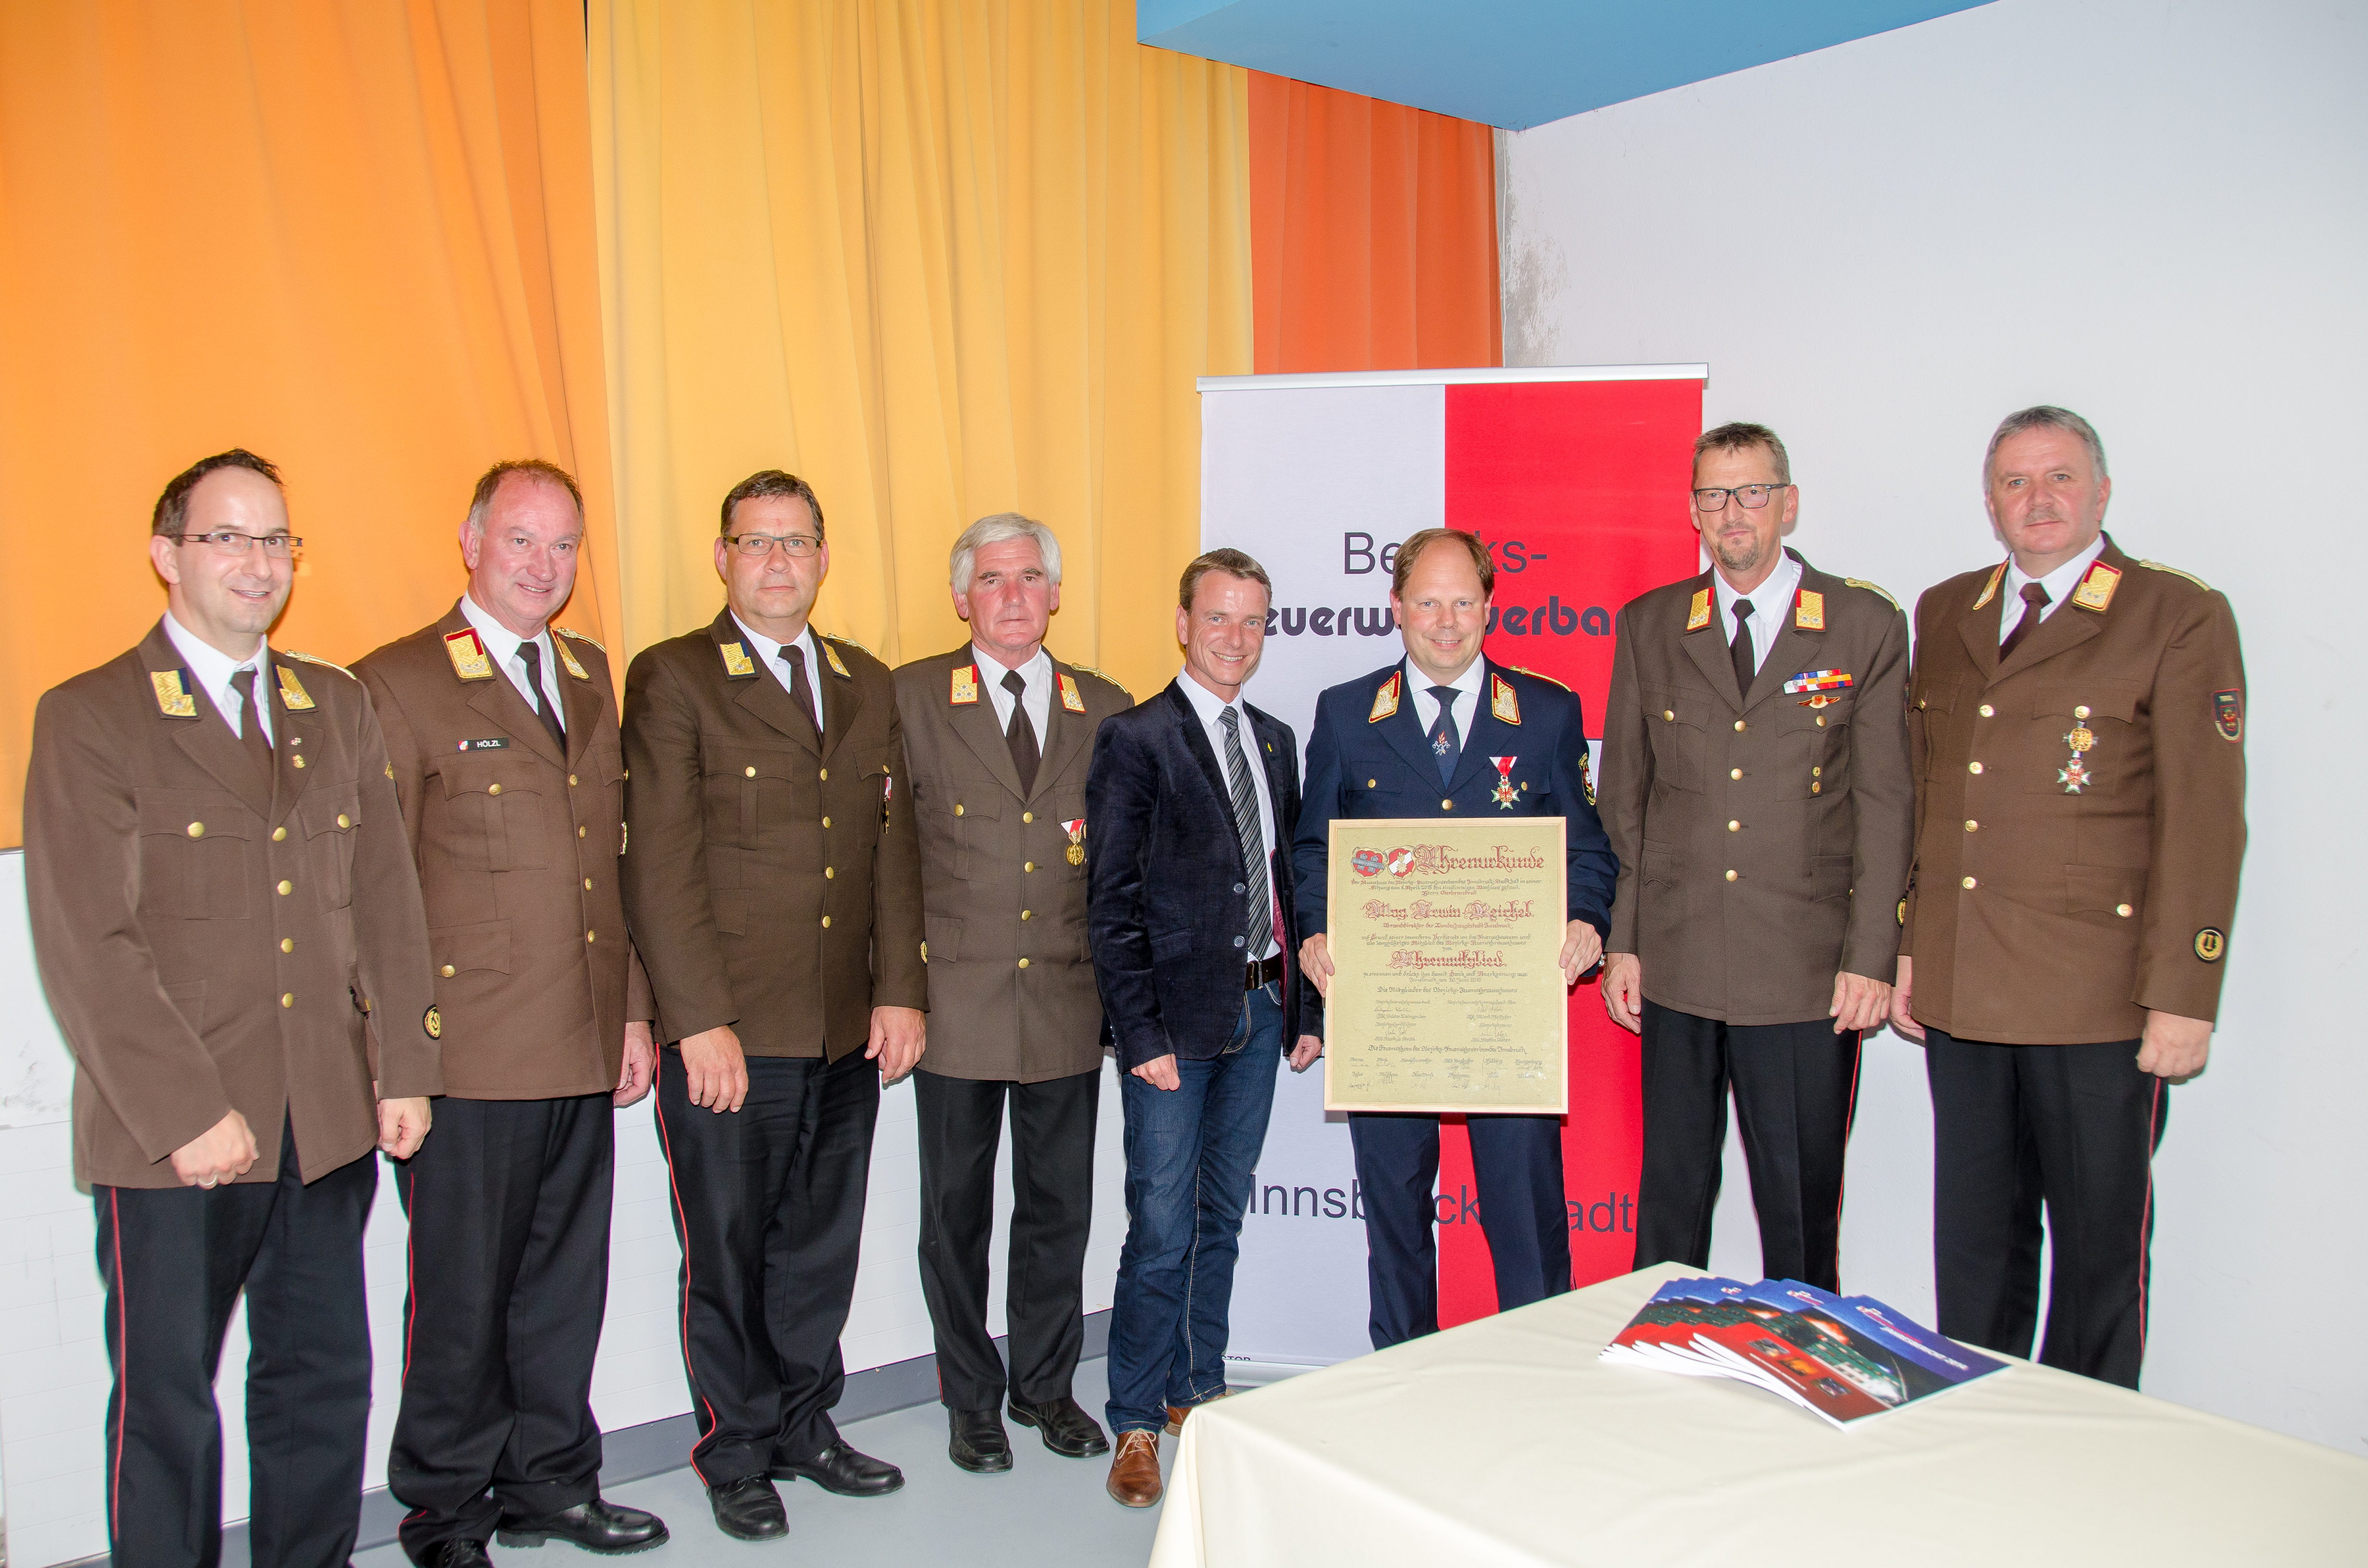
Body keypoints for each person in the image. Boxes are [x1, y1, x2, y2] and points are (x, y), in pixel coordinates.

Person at [23, 449, 439, 1568]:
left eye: (276, 539)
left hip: (325, 1119)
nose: (258, 563)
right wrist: (184, 1111)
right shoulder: (93, 715)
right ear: (166, 556)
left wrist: (403, 1067)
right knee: (168, 1403)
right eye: (227, 538)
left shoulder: (333, 704)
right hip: (176, 1138)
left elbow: (388, 902)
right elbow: (88, 945)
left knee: (320, 1384)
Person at [1893, 406, 2245, 1389]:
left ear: (2101, 493)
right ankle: (1978, 1426)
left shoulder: (2174, 614)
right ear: (1990, 502)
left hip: (2097, 999)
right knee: (1976, 1250)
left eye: (2059, 478)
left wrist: (2185, 995)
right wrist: (1911, 946)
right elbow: (1929, 796)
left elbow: (2205, 822)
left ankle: (2091, 1447)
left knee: (2096, 1260)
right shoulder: (1947, 611)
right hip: (1964, 991)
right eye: (2015, 481)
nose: (2037, 499)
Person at [354, 460, 666, 1566]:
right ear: (471, 540)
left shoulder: (585, 671)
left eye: (564, 545)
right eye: (523, 539)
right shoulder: (397, 681)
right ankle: (444, 1514)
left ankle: (550, 1484)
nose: (545, 565)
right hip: (469, 1059)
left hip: (581, 1040)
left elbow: (608, 863)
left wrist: (632, 1012)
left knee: (562, 1290)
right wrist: (396, 1059)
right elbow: (374, 889)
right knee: (463, 1305)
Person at [619, 469, 927, 1541]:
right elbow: (658, 864)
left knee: (818, 1248)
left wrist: (900, 991)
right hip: (733, 1034)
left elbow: (891, 849)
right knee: (730, 1251)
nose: (778, 561)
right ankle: (737, 1448)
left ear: (824, 558)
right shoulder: (675, 677)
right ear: (723, 558)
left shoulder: (864, 681)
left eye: (796, 542)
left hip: (843, 1028)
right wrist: (695, 1019)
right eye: (757, 542)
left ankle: (804, 1424)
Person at [1598, 422, 1913, 1292]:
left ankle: (1804, 1360)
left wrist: (1871, 958)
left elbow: (1887, 803)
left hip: (1803, 973)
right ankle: (1661, 1353)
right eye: (1714, 494)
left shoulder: (1862, 624)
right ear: (1693, 509)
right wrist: (1624, 940)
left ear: (1788, 503)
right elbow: (1627, 799)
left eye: (1752, 492)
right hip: (1679, 961)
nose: (1732, 512)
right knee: (1671, 1202)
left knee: (1801, 1214)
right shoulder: (1654, 623)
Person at [1294, 527, 1616, 1350]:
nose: (1446, 622)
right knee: (1396, 1221)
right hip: (1386, 1011)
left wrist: (1587, 919)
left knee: (1526, 1215)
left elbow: (1586, 848)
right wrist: (1317, 930)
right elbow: (1312, 848)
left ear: (1490, 607)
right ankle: (1405, 1383)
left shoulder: (1546, 713)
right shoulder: (1346, 713)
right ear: (1396, 608)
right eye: (1429, 603)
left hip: (1505, 1010)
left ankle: (1540, 1381)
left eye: (1463, 602)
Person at [892, 514, 1129, 1474]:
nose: (1013, 595)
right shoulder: (911, 697)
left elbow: (1121, 867)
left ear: (1056, 593)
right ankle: (971, 1399)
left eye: (1030, 576)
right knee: (955, 1218)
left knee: (1057, 1212)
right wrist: (894, 992)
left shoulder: (1105, 707)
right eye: (992, 579)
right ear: (962, 598)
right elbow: (885, 857)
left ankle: (1044, 1387)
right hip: (953, 1002)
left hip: (1067, 1001)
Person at [1085, 548, 1322, 1508]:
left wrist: (1304, 1010)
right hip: (1172, 1031)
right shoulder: (1135, 738)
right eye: (1218, 617)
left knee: (1220, 1214)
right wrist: (1137, 1037)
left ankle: (1197, 1388)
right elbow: (1110, 904)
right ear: (1183, 624)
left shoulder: (1274, 739)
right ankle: (1136, 1418)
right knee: (1161, 1227)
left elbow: (1290, 888)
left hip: (1261, 1013)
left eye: (1252, 621)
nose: (1235, 637)